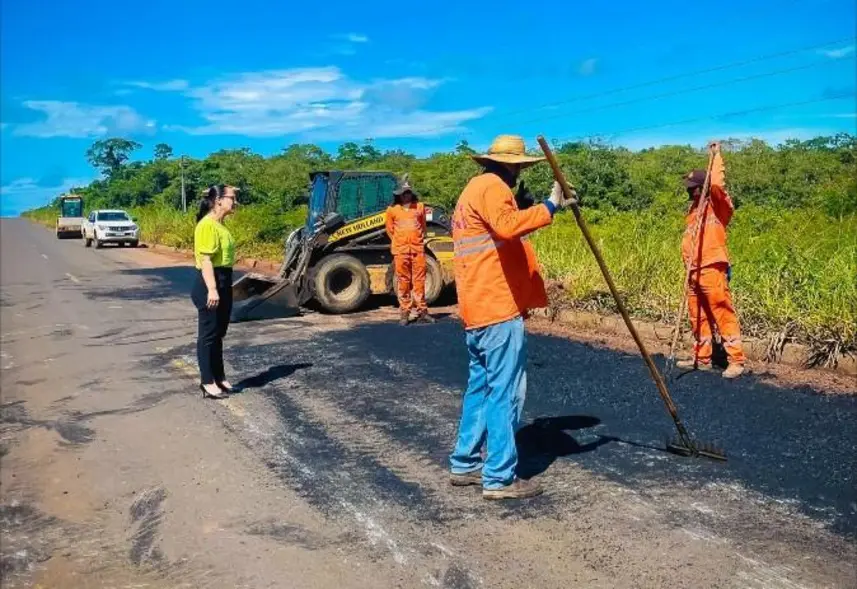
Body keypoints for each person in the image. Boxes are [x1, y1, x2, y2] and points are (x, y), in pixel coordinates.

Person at [447, 134, 574, 500]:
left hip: (477, 308)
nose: (519, 173)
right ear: (512, 165)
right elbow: (506, 227)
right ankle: (499, 478)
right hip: (496, 309)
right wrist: (551, 206)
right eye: (519, 167)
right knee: (504, 393)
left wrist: (527, 209)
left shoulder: (475, 189)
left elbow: (498, 234)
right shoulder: (491, 187)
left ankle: (465, 462)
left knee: (481, 388)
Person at [678, 141, 746, 379]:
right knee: (697, 314)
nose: (689, 191)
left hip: (712, 268)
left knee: (721, 312)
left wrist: (716, 156)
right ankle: (702, 357)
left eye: (693, 187)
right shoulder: (693, 210)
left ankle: (736, 360)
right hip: (693, 271)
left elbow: (717, 183)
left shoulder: (717, 206)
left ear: (703, 188)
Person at [192, 184, 239, 399]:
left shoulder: (221, 225)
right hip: (210, 283)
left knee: (219, 334)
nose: (234, 201)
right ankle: (207, 381)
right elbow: (206, 260)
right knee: (208, 335)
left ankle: (220, 378)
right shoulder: (207, 225)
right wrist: (212, 289)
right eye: (232, 197)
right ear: (218, 200)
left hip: (223, 281)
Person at [385, 174, 435, 326]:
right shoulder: (392, 210)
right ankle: (405, 312)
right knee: (403, 281)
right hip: (400, 250)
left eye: (408, 192)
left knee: (419, 280)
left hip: (417, 249)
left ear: (411, 193)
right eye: (403, 193)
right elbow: (390, 230)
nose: (406, 195)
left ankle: (422, 311)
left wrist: (418, 239)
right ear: (398, 195)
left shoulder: (420, 207)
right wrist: (400, 241)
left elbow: (423, 227)